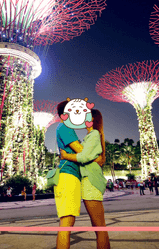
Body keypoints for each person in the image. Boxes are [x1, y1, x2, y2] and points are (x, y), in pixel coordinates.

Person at [55, 101, 104, 249]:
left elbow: (84, 154)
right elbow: (83, 153)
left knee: (68, 223)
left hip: (72, 176)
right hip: (67, 175)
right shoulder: (65, 127)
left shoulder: (69, 129)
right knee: (66, 223)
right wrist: (98, 158)